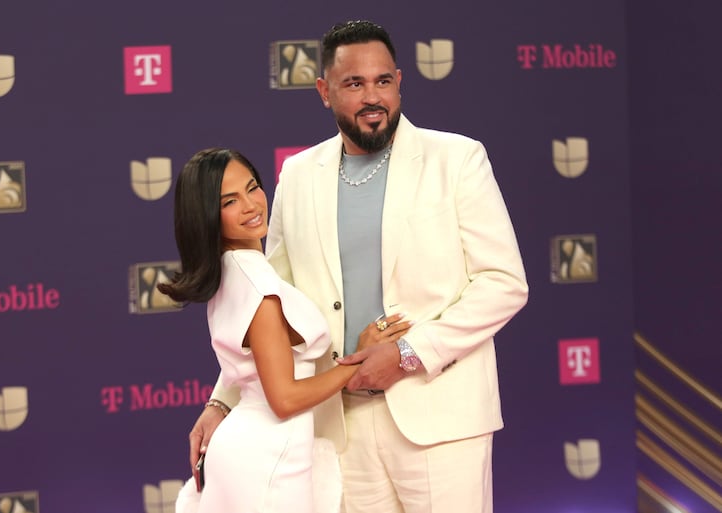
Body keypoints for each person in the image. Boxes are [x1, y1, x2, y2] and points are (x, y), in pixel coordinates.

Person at [193, 20, 529, 513]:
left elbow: (503, 284)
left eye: (383, 81)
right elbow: (269, 303)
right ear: (324, 91)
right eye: (354, 84)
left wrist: (409, 353)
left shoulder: (456, 159)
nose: (373, 97)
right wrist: (222, 400)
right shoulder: (299, 174)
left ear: (399, 81)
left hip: (439, 419)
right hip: (338, 425)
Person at [158, 147, 411, 513]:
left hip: (257, 449)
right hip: (267, 458)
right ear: (207, 216)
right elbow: (284, 399)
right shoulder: (260, 289)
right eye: (230, 201)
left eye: (253, 187)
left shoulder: (234, 273)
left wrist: (217, 403)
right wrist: (359, 361)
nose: (251, 205)